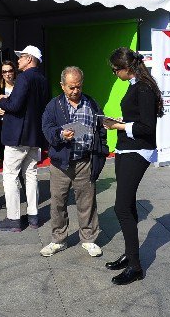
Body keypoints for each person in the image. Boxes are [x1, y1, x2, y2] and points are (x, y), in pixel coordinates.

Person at [103, 47, 163, 285]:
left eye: (116, 69)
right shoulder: (134, 84)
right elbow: (136, 118)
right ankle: (130, 254)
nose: (115, 73)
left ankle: (135, 266)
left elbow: (148, 127)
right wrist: (121, 123)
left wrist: (119, 127)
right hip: (125, 148)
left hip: (138, 150)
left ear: (127, 67)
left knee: (121, 208)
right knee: (126, 204)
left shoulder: (144, 88)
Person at [39, 66, 107, 257]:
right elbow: (46, 128)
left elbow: (100, 129)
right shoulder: (54, 105)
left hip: (84, 161)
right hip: (60, 163)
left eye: (78, 86)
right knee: (58, 202)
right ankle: (58, 239)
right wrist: (60, 134)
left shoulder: (91, 103)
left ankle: (88, 239)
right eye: (71, 87)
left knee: (87, 202)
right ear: (62, 86)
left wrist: (101, 152)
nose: (75, 91)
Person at [0, 45, 49, 232]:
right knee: (31, 175)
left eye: (21, 57)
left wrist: (2, 100)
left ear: (30, 59)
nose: (18, 60)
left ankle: (14, 218)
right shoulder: (43, 79)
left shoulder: (24, 77)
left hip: (18, 136)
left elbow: (15, 105)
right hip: (35, 135)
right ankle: (33, 216)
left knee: (10, 176)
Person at [0, 60, 17, 160]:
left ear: (14, 71)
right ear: (1, 74)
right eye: (4, 72)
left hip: (16, 123)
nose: (7, 74)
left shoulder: (19, 86)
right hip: (2, 124)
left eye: (10, 71)